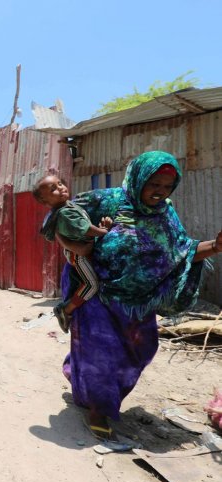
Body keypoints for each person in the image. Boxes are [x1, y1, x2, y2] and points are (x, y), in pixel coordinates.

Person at [57, 151, 222, 441]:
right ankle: (99, 409)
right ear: (139, 178)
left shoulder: (166, 213)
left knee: (141, 351)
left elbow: (184, 250)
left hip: (139, 303)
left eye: (167, 186)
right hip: (101, 296)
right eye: (153, 183)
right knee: (102, 358)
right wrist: (79, 245)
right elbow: (62, 217)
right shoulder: (106, 200)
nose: (160, 192)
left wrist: (216, 247)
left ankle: (83, 376)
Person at [33, 174, 113, 333]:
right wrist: (104, 231)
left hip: (82, 250)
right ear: (45, 201)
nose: (61, 188)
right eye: (53, 189)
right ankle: (65, 310)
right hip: (79, 256)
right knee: (91, 285)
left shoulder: (68, 206)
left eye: (60, 183)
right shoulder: (65, 213)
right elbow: (87, 229)